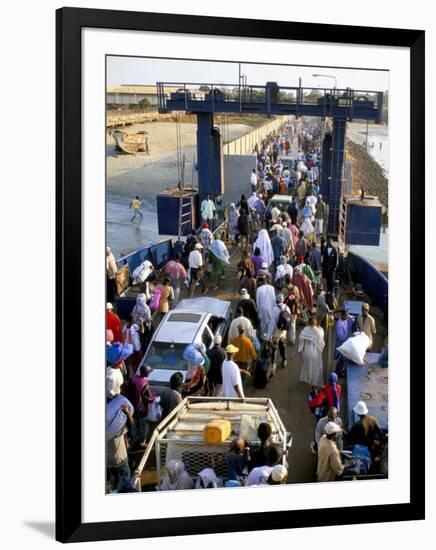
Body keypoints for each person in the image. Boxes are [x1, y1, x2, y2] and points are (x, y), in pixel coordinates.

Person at [106, 395, 134, 492]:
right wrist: (127, 412)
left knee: (114, 480)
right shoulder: (115, 430)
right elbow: (131, 425)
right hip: (120, 460)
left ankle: (114, 492)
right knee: (125, 483)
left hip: (108, 462)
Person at [128, 365, 154, 449]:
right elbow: (149, 399)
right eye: (149, 372)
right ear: (145, 373)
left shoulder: (134, 379)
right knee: (144, 426)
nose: (149, 373)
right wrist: (154, 397)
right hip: (142, 409)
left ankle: (133, 441)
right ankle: (142, 443)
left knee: (134, 425)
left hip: (133, 407)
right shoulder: (144, 383)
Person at [298, 318, 325, 387]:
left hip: (307, 350)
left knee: (307, 365)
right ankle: (313, 381)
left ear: (309, 323)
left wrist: (300, 350)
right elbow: (321, 341)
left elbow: (301, 340)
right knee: (315, 366)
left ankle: (307, 378)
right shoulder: (319, 331)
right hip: (315, 350)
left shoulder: (305, 330)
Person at [271, 294, 291, 367]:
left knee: (274, 348)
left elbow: (272, 323)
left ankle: (273, 363)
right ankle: (284, 359)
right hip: (283, 331)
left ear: (276, 301)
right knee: (283, 346)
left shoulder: (274, 309)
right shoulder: (287, 308)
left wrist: (270, 334)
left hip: (276, 332)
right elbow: (289, 320)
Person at [334, 310, 355, 376]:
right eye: (346, 315)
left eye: (347, 315)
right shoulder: (339, 324)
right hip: (341, 344)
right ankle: (338, 372)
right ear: (342, 315)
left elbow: (353, 318)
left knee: (343, 358)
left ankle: (340, 371)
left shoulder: (345, 319)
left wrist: (348, 316)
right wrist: (348, 335)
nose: (347, 317)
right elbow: (341, 337)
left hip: (344, 343)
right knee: (341, 359)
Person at [256, 276, 277, 341]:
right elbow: (274, 299)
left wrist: (258, 310)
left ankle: (263, 337)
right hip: (271, 308)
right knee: (270, 322)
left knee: (263, 323)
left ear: (261, 281)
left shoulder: (259, 289)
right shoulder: (272, 288)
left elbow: (257, 301)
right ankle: (269, 336)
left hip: (262, 309)